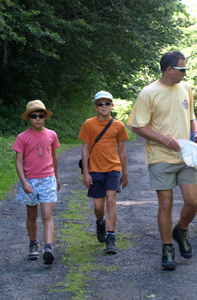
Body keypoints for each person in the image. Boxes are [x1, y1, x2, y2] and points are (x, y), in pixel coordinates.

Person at [127, 51, 197, 270]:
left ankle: (181, 230)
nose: (185, 73)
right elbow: (137, 126)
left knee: (193, 202)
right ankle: (167, 248)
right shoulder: (149, 93)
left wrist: (196, 129)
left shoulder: (186, 89)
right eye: (182, 69)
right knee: (166, 204)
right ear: (169, 69)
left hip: (186, 156)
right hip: (160, 157)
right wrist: (163, 139)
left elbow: (190, 115)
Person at [13, 100, 61, 265]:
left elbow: (53, 157)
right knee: (32, 215)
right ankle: (33, 244)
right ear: (28, 118)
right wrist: (23, 181)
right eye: (34, 116)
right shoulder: (22, 137)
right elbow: (18, 161)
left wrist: (56, 177)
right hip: (30, 180)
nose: (37, 119)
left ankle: (49, 247)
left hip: (48, 179)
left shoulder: (51, 135)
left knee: (47, 215)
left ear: (45, 117)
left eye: (40, 115)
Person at [80, 91, 129, 254]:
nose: (104, 107)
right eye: (100, 104)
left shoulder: (118, 126)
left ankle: (111, 236)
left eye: (107, 103)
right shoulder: (88, 124)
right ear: (95, 107)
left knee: (111, 201)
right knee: (98, 206)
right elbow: (85, 150)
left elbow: (122, 150)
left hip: (113, 169)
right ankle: (100, 222)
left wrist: (125, 172)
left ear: (112, 106)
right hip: (95, 170)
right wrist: (86, 173)